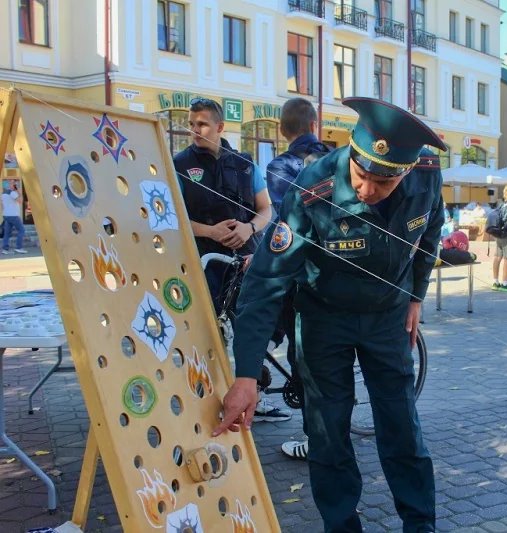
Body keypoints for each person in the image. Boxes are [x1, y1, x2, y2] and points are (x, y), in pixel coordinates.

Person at [213, 97, 445, 532]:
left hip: (387, 319)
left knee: (401, 426)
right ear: (352, 154)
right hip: (324, 320)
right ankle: (341, 526)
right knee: (326, 433)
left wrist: (415, 295)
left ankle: (421, 524)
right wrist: (246, 375)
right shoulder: (311, 189)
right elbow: (266, 283)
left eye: (383, 182)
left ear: (407, 171)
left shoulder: (428, 176)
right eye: (361, 174)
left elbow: (431, 229)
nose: (367, 190)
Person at [173, 97, 290, 423]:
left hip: (246, 258)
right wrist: (209, 231)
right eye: (192, 124)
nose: (195, 130)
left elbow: (267, 210)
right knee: (207, 333)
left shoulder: (244, 164)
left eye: (202, 124)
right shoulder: (179, 164)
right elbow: (172, 216)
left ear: (220, 127)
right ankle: (206, 400)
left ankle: (256, 396)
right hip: (203, 263)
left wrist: (248, 227)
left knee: (252, 329)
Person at [253, 98, 332, 458]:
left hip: (298, 270)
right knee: (312, 349)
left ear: (283, 131)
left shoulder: (281, 165)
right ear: (314, 123)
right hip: (334, 267)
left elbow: (285, 220)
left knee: (300, 351)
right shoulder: (337, 159)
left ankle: (313, 439)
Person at [1, 179, 27, 254]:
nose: (16, 186)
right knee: (21, 230)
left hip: (6, 215)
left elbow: (2, 205)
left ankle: (5, 249)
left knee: (7, 233)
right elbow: (20, 201)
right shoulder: (12, 193)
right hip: (13, 215)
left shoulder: (3, 194)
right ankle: (19, 247)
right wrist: (19, 192)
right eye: (14, 184)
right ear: (11, 186)